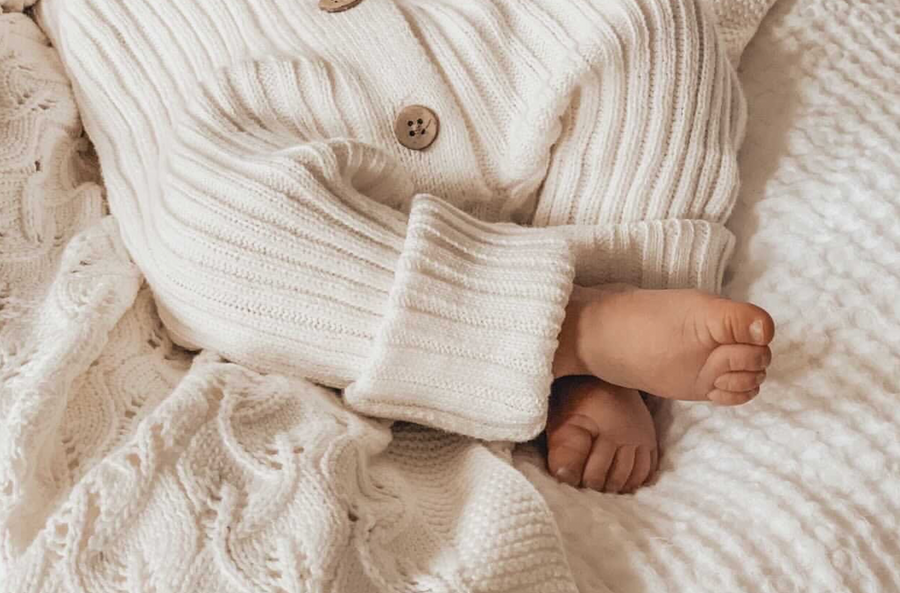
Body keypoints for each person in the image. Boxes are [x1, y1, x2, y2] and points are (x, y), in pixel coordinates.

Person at [34, 0, 775, 495]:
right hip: (246, 94)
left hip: (469, 46)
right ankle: (573, 329)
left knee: (649, 18)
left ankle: (619, 293)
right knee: (208, 232)